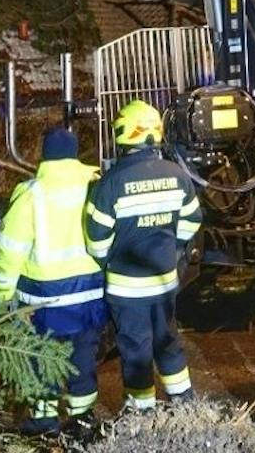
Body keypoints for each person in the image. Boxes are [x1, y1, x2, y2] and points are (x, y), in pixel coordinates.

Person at [84, 100, 201, 411]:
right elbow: (191, 222)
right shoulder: (177, 174)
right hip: (164, 281)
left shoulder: (110, 184)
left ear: (122, 135)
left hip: (126, 288)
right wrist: (172, 250)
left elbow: (96, 242)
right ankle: (186, 406)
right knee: (168, 342)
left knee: (136, 349)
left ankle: (142, 414)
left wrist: (108, 261)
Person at [0, 126, 107, 435]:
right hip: (89, 295)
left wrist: (2, 292)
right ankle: (83, 421)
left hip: (44, 300)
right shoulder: (94, 185)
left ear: (44, 156)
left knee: (42, 360)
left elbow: (11, 247)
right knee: (83, 357)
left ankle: (43, 422)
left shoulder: (31, 193)